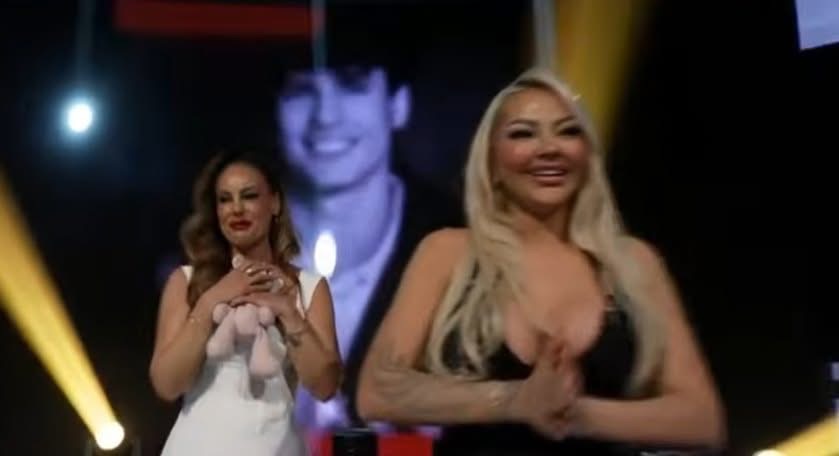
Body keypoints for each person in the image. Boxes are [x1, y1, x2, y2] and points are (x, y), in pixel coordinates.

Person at [356, 68, 726, 455]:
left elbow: (701, 419)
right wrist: (516, 400)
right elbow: (377, 391)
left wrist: (574, 414)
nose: (550, 148)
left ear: (587, 155)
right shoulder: (449, 253)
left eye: (567, 131)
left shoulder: (632, 263)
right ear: (492, 163)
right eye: (523, 133)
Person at [275, 13, 462, 429]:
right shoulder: (214, 250)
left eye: (352, 83)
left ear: (398, 103)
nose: (325, 116)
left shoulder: (467, 253)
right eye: (301, 88)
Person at [150, 150, 342, 455]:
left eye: (249, 196)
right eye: (225, 199)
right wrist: (211, 301)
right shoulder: (186, 282)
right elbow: (167, 384)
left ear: (275, 203)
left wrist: (288, 312)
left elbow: (326, 386)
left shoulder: (309, 288)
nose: (236, 209)